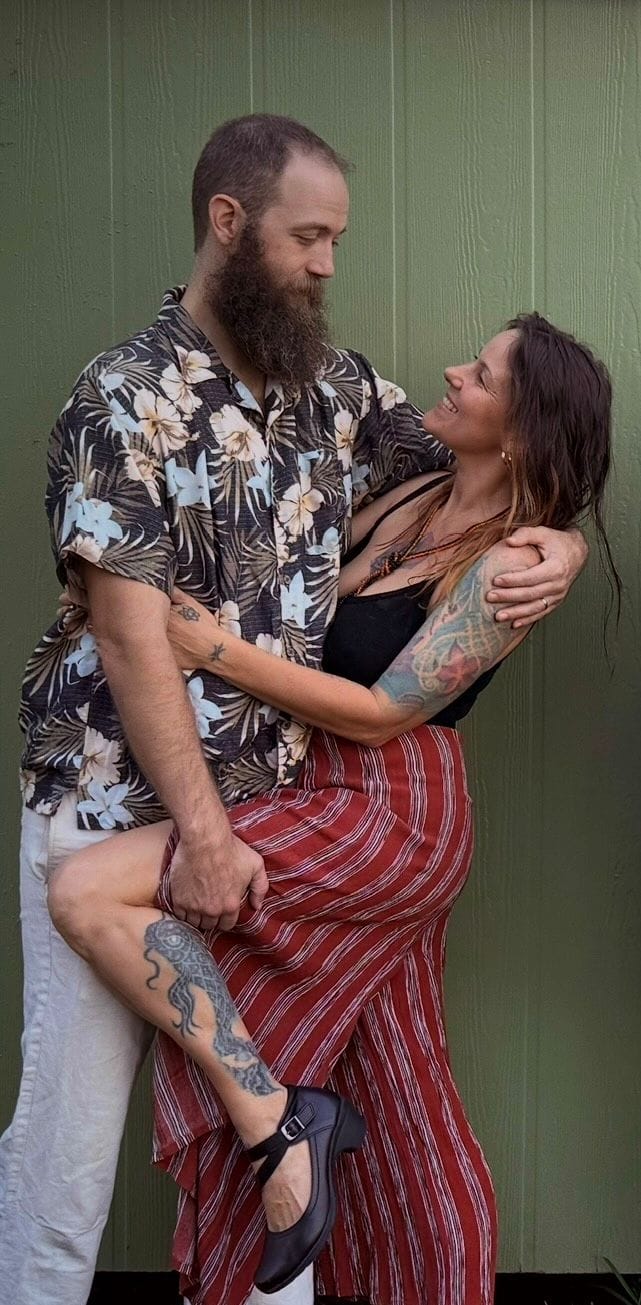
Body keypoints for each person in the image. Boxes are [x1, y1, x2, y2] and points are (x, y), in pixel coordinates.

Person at [2, 111, 584, 1305]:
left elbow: (493, 478)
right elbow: (132, 634)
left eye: (335, 241)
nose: (326, 264)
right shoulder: (124, 399)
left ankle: (288, 1174)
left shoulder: (339, 392)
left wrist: (559, 545)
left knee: (285, 1129)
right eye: (306, 237)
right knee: (68, 1152)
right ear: (229, 223)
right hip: (118, 802)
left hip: (277, 807)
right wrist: (205, 835)